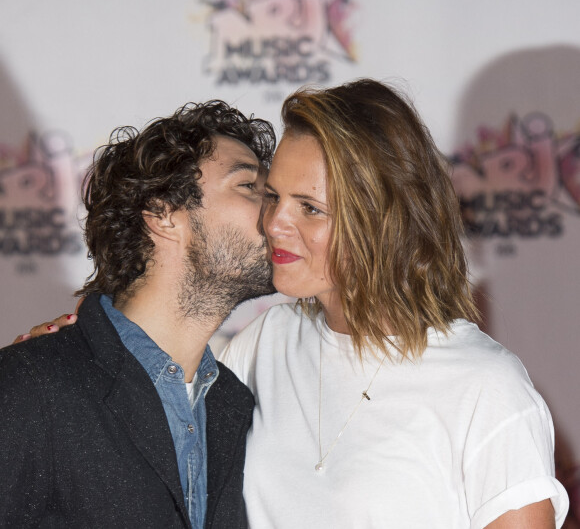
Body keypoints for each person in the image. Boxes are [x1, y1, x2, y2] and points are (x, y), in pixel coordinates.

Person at [18, 79, 569, 528]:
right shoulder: (267, 344)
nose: (274, 221)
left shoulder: (486, 386)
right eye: (273, 195)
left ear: (380, 222)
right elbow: (147, 388)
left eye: (309, 207)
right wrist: (69, 349)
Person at [0, 100, 276, 528]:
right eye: (249, 187)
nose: (278, 214)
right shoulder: (30, 386)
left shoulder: (234, 408)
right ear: (163, 212)